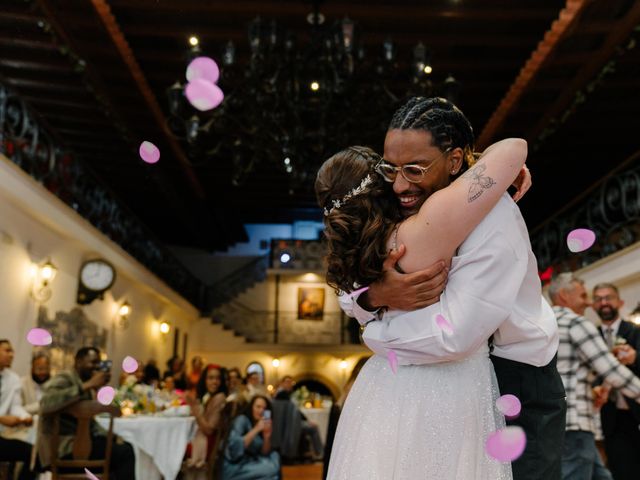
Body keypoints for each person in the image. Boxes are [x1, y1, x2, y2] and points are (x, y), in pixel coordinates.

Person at [330, 97, 565, 479]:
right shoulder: (398, 203)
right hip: (436, 384)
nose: (400, 184)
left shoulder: (496, 218)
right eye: (391, 168)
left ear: (455, 161)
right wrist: (375, 297)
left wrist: (373, 330)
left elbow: (456, 336)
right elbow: (351, 273)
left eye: (415, 169)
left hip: (517, 384)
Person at [548, 273, 640, 479]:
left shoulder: (542, 325)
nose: (589, 303)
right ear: (564, 295)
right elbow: (612, 371)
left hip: (554, 421)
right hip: (576, 422)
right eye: (583, 296)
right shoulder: (575, 323)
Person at [39, 346, 135, 479]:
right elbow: (45, 404)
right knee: (126, 454)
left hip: (81, 446)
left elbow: (90, 423)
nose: (96, 367)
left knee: (124, 447)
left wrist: (112, 436)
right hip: (63, 450)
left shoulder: (84, 383)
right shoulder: (66, 377)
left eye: (98, 363)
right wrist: (87, 385)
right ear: (78, 362)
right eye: (93, 362)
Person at [592, 282, 640, 480]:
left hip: (637, 411)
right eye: (598, 299)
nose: (604, 302)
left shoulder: (635, 331)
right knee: (622, 472)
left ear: (619, 302)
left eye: (608, 297)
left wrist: (635, 358)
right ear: (593, 306)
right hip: (611, 418)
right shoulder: (590, 336)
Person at [184, 364, 228, 479]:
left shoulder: (219, 397)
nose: (214, 382)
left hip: (208, 441)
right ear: (204, 380)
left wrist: (195, 408)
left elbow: (209, 429)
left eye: (218, 378)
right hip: (201, 436)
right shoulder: (208, 396)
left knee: (175, 444)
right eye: (210, 378)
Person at [0, 339, 36, 480]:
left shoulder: (13, 379)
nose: (12, 355)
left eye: (12, 351)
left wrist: (25, 417)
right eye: (7, 350)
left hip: (3, 434)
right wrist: (1, 419)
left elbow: (15, 406)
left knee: (34, 452)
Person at [222, 394, 280, 480]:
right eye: (258, 407)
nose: (261, 411)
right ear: (251, 407)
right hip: (236, 466)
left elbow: (264, 453)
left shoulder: (260, 424)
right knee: (272, 470)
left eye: (264, 408)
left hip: (252, 464)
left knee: (274, 458)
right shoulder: (242, 420)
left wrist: (266, 436)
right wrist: (256, 429)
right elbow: (233, 451)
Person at [21, 351, 51, 415]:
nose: (43, 372)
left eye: (46, 369)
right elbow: (18, 409)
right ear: (32, 369)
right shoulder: (22, 384)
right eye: (39, 369)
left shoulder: (53, 385)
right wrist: (41, 405)